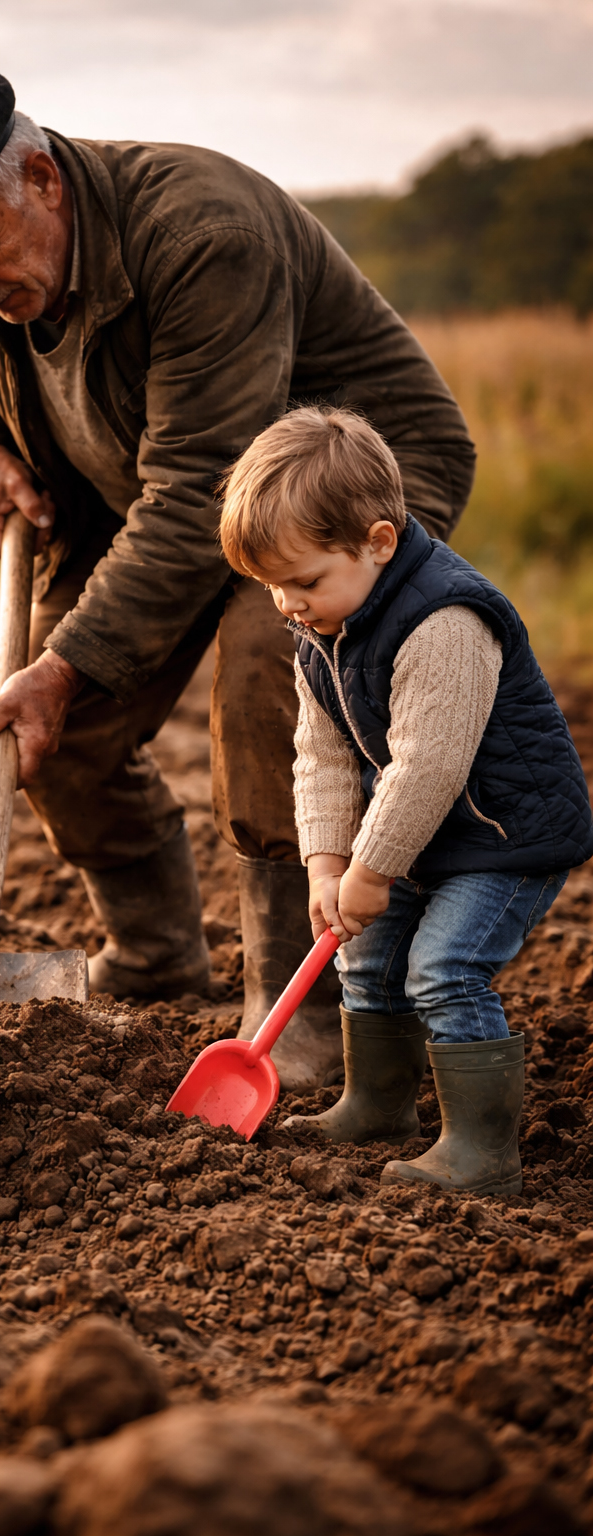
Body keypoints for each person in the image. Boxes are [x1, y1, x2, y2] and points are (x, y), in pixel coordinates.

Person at [0, 68, 477, 1090]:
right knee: (51, 733)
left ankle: (297, 1009)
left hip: (335, 479)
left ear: (43, 180)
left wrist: (66, 661)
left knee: (275, 665)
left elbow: (199, 498)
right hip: (144, 481)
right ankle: (154, 951)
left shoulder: (201, 237)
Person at [218, 406, 593, 1193]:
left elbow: (428, 766)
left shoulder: (446, 620)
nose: (287, 603)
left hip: (504, 838)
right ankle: (378, 1107)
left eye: (304, 581)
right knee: (368, 957)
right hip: (426, 834)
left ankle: (482, 1154)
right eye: (272, 586)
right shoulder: (323, 626)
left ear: (379, 542)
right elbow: (319, 755)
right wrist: (326, 863)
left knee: (443, 966)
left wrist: (372, 868)